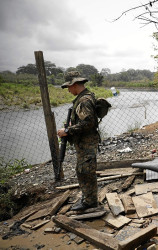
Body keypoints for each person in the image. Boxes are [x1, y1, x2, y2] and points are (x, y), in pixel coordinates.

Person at [57, 71, 100, 211]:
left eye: (68, 87)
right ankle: (88, 199)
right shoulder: (85, 97)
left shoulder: (84, 100)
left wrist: (67, 131)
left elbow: (88, 122)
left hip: (87, 143)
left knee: (85, 172)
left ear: (74, 84)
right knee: (84, 170)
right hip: (84, 142)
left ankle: (90, 202)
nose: (68, 90)